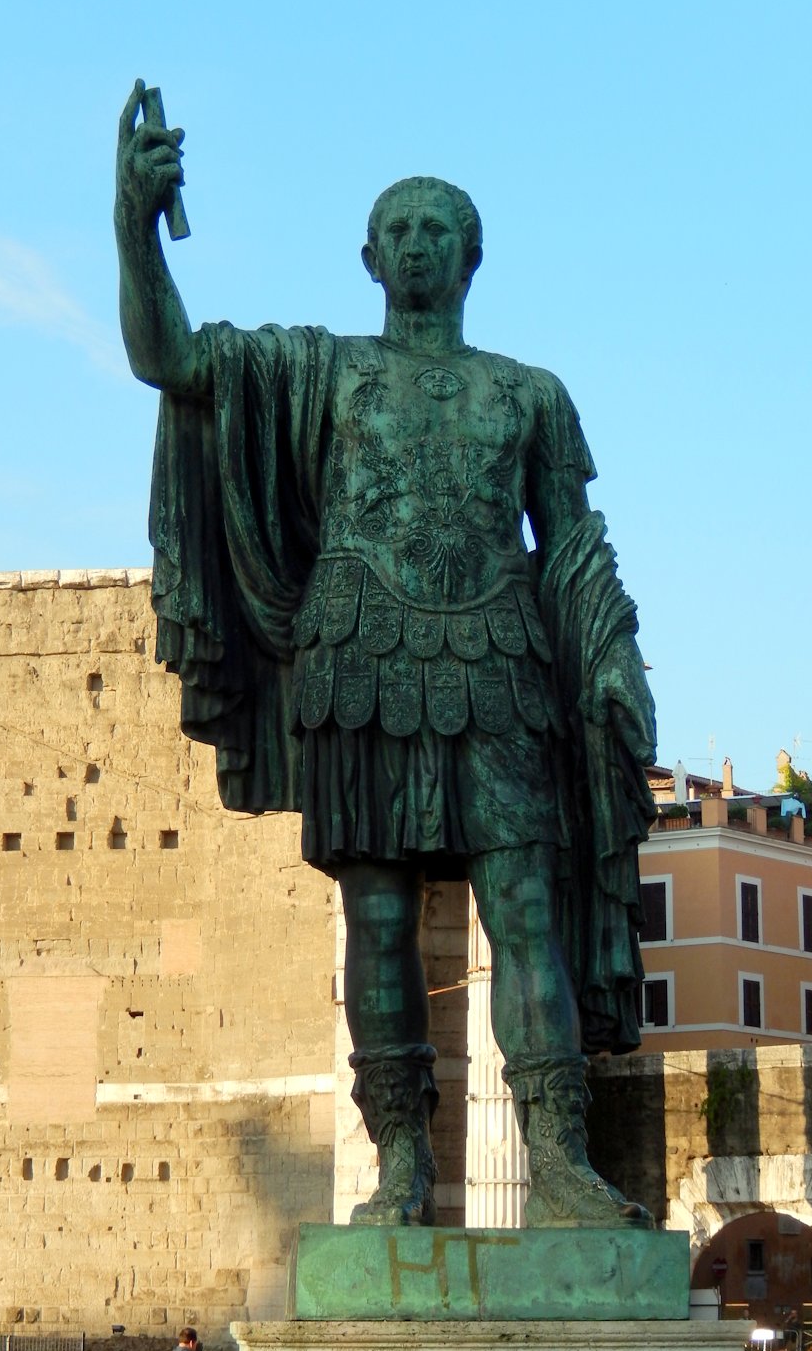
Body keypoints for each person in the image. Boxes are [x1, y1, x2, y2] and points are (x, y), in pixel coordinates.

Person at [115, 80, 658, 1229]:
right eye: (397, 228)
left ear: (472, 255)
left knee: (526, 910)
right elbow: (172, 361)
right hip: (358, 664)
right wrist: (135, 226)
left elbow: (574, 551)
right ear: (369, 259)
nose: (416, 243)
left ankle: (561, 1165)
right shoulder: (320, 373)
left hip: (501, 667)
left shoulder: (532, 395)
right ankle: (402, 1165)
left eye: (436, 228)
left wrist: (612, 660)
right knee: (375, 922)